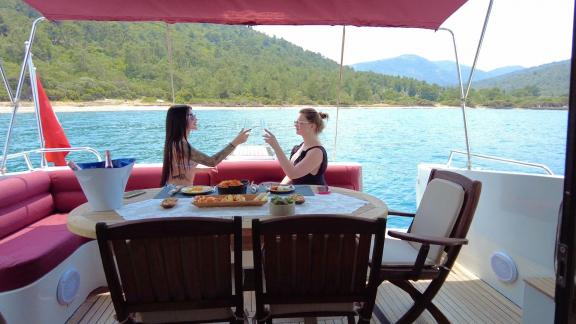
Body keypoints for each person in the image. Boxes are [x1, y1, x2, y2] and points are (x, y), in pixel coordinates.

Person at [160, 104, 250, 186]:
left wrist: (202, 170)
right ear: (179, 120)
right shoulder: (180, 145)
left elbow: (180, 167)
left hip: (176, 191)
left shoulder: (175, 143)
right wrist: (235, 142)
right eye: (190, 115)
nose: (195, 118)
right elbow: (212, 162)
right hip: (178, 195)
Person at [263, 108, 328, 185]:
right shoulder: (298, 147)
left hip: (312, 195)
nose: (296, 125)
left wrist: (276, 147)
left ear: (312, 126)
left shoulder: (316, 152)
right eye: (296, 122)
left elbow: (292, 174)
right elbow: (289, 175)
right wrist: (280, 188)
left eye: (300, 123)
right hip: (298, 194)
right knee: (264, 185)